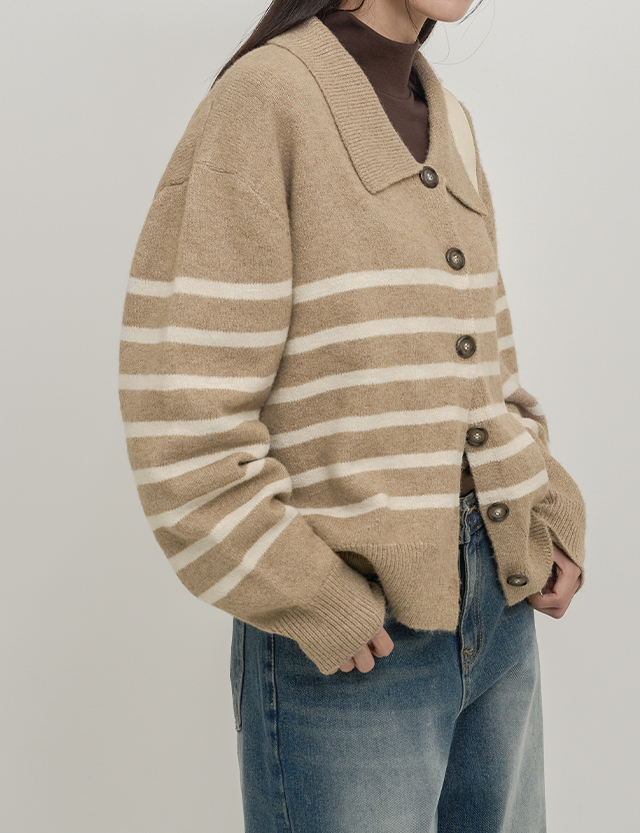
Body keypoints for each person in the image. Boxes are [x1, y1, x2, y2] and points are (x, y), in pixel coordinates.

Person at [118, 1, 587, 830]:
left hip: (501, 613)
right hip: (353, 646)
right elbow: (181, 420)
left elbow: (486, 370)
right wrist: (313, 595)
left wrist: (546, 507)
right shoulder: (266, 100)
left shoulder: (451, 120)